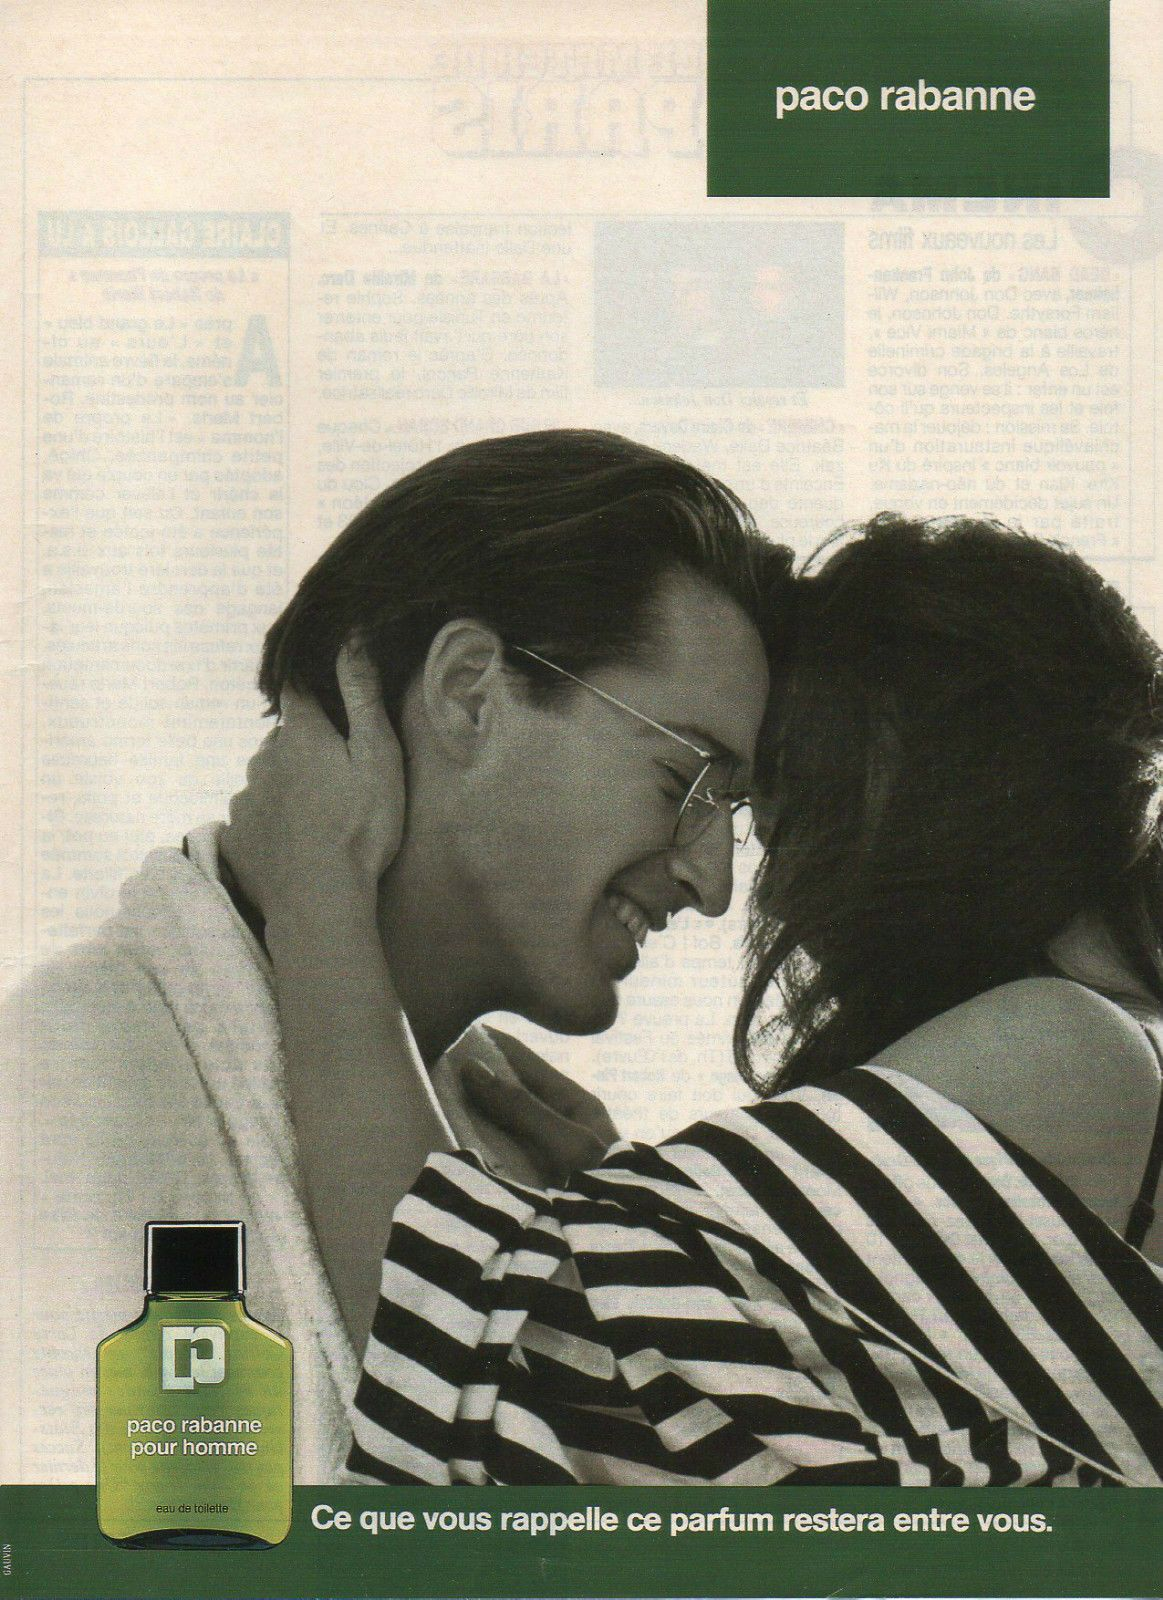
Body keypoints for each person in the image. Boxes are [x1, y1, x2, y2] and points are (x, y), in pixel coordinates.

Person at [225, 513, 1163, 1488]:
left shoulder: (1066, 1049)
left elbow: (481, 1358)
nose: (744, 889)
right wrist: (659, 1259)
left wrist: (318, 883)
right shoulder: (1096, 1059)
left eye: (775, 811)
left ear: (906, 786)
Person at [0, 430, 791, 1484]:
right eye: (682, 781)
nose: (712, 881)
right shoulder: (51, 1090)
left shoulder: (527, 1180)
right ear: (469, 691)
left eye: (730, 814)